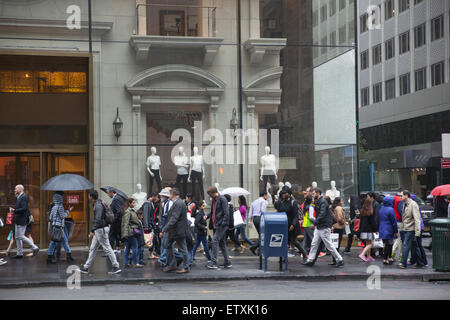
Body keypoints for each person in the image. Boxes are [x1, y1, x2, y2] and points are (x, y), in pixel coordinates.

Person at [80, 190, 121, 274]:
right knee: (93, 248)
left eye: (89, 196)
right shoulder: (98, 203)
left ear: (91, 197)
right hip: (99, 229)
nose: (88, 197)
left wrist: (92, 230)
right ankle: (86, 267)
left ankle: (116, 266)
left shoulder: (98, 205)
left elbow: (98, 219)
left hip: (100, 229)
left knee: (107, 248)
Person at [303, 188, 344, 267]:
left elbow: (322, 214)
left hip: (324, 226)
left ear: (318, 193)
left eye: (314, 193)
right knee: (314, 243)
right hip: (320, 226)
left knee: (328, 244)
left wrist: (314, 223)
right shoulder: (318, 201)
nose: (313, 194)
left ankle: (339, 259)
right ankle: (310, 259)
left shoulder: (322, 202)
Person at [160, 188, 190, 273]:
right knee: (167, 245)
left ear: (172, 194)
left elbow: (174, 218)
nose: (168, 195)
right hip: (174, 231)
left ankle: (185, 267)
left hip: (178, 231)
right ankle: (172, 265)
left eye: (169, 194)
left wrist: (164, 229)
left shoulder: (178, 203)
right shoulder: (177, 203)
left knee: (183, 249)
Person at [274, 186, 308, 260]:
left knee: (293, 240)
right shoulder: (281, 201)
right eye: (282, 193)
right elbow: (277, 208)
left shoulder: (293, 202)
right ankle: (283, 256)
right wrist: (277, 201)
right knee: (284, 240)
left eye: (285, 193)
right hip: (283, 224)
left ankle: (304, 253)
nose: (283, 194)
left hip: (291, 225)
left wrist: (293, 224)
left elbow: (296, 215)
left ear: (289, 194)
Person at [9, 185, 39, 259]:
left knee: (21, 236)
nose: (14, 190)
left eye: (15, 188)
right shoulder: (19, 197)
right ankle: (19, 253)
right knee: (17, 237)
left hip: (22, 220)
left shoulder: (23, 197)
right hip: (18, 219)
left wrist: (14, 210)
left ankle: (35, 247)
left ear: (20, 189)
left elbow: (24, 208)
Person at [206, 186, 231, 269]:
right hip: (216, 224)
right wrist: (207, 216)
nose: (209, 196)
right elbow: (213, 211)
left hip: (221, 225)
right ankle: (227, 261)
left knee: (214, 241)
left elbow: (226, 213)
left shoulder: (222, 199)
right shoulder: (214, 200)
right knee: (222, 243)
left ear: (214, 192)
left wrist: (223, 223)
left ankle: (214, 262)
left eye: (210, 194)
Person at [47, 191, 75, 264]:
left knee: (53, 242)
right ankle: (69, 256)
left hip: (54, 226)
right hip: (60, 227)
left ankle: (49, 257)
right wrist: (68, 211)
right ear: (60, 198)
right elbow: (63, 216)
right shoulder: (60, 206)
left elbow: (50, 217)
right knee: (64, 241)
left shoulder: (54, 207)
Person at [398, 191, 424, 269]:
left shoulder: (413, 204)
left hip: (411, 229)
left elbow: (417, 219)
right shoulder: (405, 204)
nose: (400, 197)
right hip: (406, 228)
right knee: (414, 246)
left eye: (402, 196)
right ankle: (420, 262)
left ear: (406, 196)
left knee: (405, 245)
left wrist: (417, 231)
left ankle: (403, 263)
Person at [122, 198, 143, 268]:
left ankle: (126, 262)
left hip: (130, 232)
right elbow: (125, 223)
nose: (134, 204)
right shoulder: (128, 212)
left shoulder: (131, 211)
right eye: (133, 203)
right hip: (131, 232)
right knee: (135, 247)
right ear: (129, 204)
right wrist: (125, 234)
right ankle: (135, 262)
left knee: (128, 247)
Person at [358, 192, 380, 262]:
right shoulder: (371, 211)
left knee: (368, 243)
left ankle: (369, 256)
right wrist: (376, 229)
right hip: (369, 229)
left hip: (364, 229)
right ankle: (362, 254)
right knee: (371, 243)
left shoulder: (362, 210)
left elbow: (361, 221)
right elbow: (373, 221)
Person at [378, 196, 398, 265]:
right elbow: (394, 221)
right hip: (389, 229)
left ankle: (388, 257)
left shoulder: (381, 208)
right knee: (389, 244)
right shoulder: (391, 209)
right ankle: (386, 258)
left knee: (386, 244)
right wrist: (395, 231)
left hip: (382, 228)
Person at [410, 194, 428, 266]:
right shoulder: (416, 205)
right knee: (418, 245)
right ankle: (422, 261)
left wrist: (417, 230)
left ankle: (420, 262)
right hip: (420, 227)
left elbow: (416, 219)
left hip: (417, 228)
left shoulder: (414, 206)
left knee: (417, 245)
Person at [107, 187, 124, 254]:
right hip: (117, 220)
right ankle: (117, 248)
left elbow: (118, 210)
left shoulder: (116, 199)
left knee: (111, 235)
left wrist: (113, 219)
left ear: (112, 192)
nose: (108, 195)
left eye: (108, 193)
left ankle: (110, 251)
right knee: (116, 235)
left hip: (116, 221)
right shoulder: (116, 198)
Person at [331, 197, 346, 264]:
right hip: (339, 227)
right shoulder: (339, 208)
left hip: (334, 227)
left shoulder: (333, 208)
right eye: (341, 201)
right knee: (337, 244)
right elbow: (340, 218)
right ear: (339, 202)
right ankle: (337, 259)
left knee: (334, 244)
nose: (342, 202)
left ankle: (334, 259)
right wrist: (343, 222)